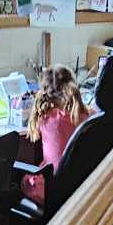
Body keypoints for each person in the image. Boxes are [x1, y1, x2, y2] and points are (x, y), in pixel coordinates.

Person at [19, 64, 86, 207]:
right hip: (81, 188)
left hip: (52, 188)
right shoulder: (89, 117)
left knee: (24, 181)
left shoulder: (45, 118)